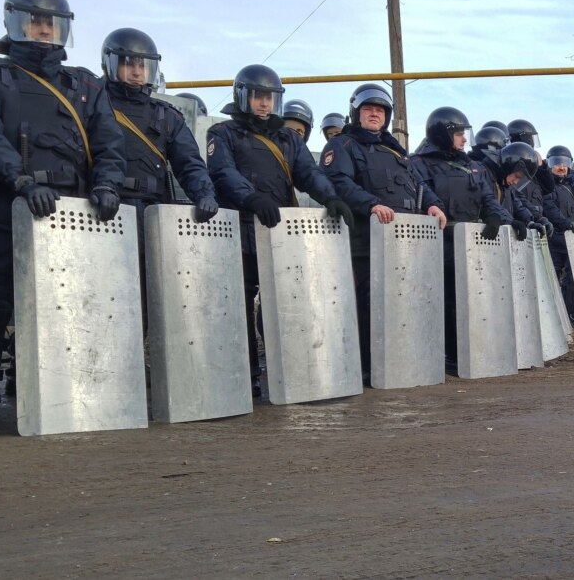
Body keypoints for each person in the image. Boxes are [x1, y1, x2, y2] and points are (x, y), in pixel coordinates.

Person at [0, 0, 127, 430]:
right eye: (35, 21)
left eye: (51, 23)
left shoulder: (84, 84)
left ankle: (66, 398)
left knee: (70, 305)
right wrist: (19, 180)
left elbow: (108, 144)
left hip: (72, 215)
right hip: (8, 206)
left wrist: (108, 187)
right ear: (15, 23)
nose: (44, 30)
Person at [206, 64, 353, 396]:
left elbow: (308, 173)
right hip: (240, 226)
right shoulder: (222, 133)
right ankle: (245, 374)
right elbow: (222, 171)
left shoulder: (287, 138)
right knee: (240, 304)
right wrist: (251, 197)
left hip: (281, 230)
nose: (264, 104)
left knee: (285, 300)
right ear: (243, 97)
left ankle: (288, 364)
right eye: (258, 97)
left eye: (270, 98)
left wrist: (331, 198)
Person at [320, 83, 446, 386]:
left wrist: (434, 205)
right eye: (368, 109)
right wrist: (371, 204)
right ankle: (365, 366)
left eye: (380, 110)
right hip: (364, 241)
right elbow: (338, 181)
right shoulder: (343, 146)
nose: (374, 114)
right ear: (356, 113)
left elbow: (419, 185)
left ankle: (402, 361)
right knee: (366, 304)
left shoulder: (395, 150)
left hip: (404, 243)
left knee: (403, 302)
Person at [410, 106, 513, 373]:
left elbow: (488, 199)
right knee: (442, 302)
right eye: (458, 133)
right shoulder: (419, 164)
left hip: (469, 245)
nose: (464, 139)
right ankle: (442, 354)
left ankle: (464, 354)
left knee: (467, 302)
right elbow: (424, 197)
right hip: (436, 244)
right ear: (443, 134)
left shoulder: (473, 166)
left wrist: (502, 220)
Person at [101, 28, 216, 219]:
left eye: (143, 66)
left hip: (154, 213)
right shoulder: (94, 106)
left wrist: (204, 194)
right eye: (129, 64)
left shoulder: (166, 115)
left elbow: (189, 162)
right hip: (105, 206)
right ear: (111, 64)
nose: (137, 73)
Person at [541, 145, 574, 321]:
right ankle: (553, 317)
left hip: (572, 238)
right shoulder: (547, 185)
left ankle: (570, 315)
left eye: (565, 163)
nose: (561, 167)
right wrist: (566, 224)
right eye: (556, 163)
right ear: (549, 164)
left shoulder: (571, 186)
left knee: (572, 279)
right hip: (555, 239)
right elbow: (550, 208)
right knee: (552, 277)